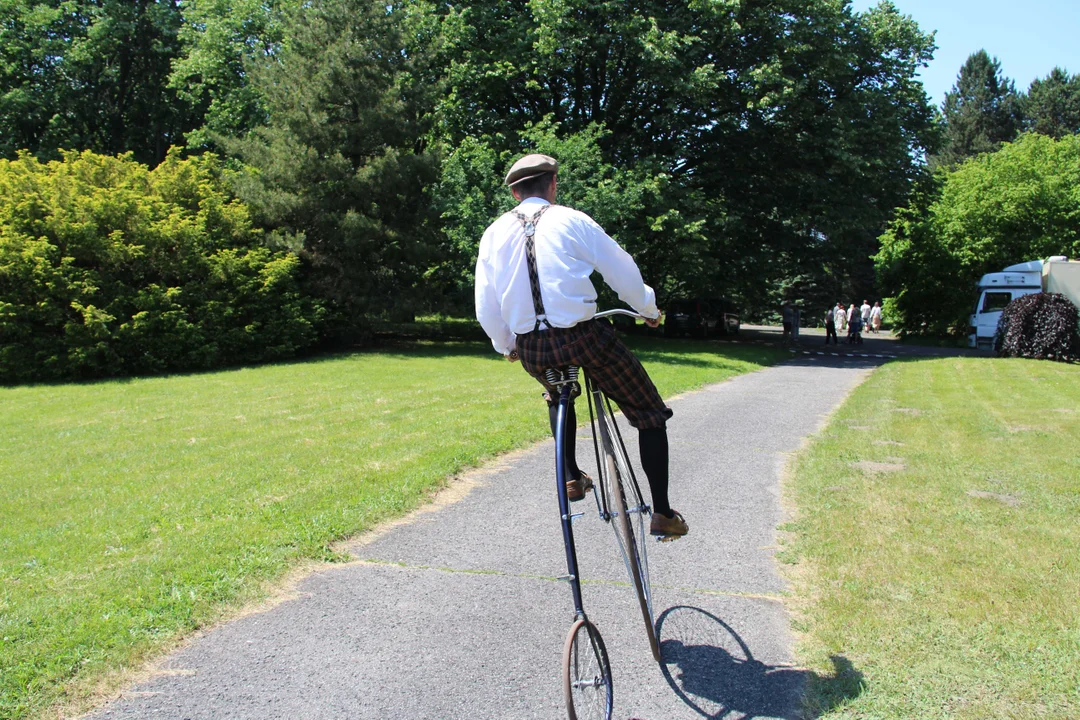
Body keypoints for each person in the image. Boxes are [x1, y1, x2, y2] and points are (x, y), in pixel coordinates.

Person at [474, 154, 688, 538]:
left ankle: (571, 475)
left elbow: (485, 303)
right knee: (649, 413)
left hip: (533, 347)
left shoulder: (493, 234)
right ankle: (662, 512)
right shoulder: (571, 220)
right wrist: (647, 308)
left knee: (559, 392)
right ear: (553, 184)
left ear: (513, 191)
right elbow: (621, 269)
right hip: (585, 338)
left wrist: (506, 345)